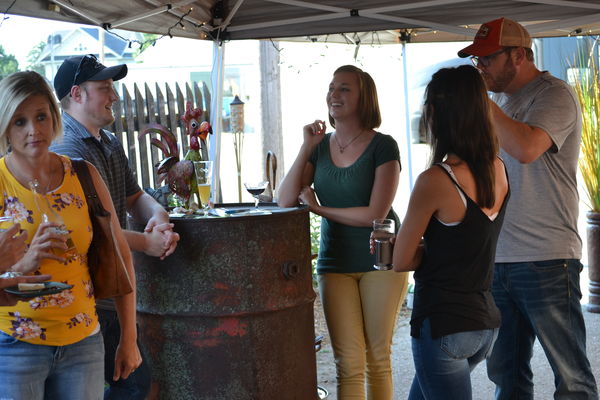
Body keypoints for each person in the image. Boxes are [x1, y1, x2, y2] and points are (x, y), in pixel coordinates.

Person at [458, 17, 599, 399]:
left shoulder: (554, 95)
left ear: (519, 56)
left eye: (487, 59)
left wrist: (482, 105)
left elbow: (526, 148)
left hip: (547, 258)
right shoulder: (497, 103)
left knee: (571, 377)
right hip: (497, 256)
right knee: (506, 375)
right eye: (476, 60)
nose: (480, 68)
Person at [0, 70, 141, 398]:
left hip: (83, 342)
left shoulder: (83, 174)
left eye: (41, 117)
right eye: (20, 121)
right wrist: (24, 264)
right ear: (5, 126)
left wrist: (129, 338)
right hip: (14, 343)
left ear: (54, 116)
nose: (33, 130)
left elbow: (120, 255)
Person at [50, 54, 179, 400]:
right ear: (77, 94)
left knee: (131, 382)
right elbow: (87, 230)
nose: (115, 96)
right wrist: (147, 243)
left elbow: (135, 197)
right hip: (88, 291)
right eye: (105, 87)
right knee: (132, 384)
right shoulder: (67, 149)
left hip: (111, 288)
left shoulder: (107, 141)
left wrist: (159, 216)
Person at [278, 65, 408, 399]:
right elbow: (284, 200)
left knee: (377, 359)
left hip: (380, 260)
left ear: (365, 97)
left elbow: (375, 214)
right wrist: (306, 146)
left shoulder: (384, 146)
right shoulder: (320, 147)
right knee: (347, 363)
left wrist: (319, 209)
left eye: (345, 88)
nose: (334, 95)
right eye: (332, 87)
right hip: (335, 263)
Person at [389, 65, 509, 399]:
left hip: (444, 325)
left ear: (436, 114)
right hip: (484, 323)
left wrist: (404, 247)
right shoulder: (498, 168)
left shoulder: (435, 180)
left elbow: (400, 261)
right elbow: (465, 243)